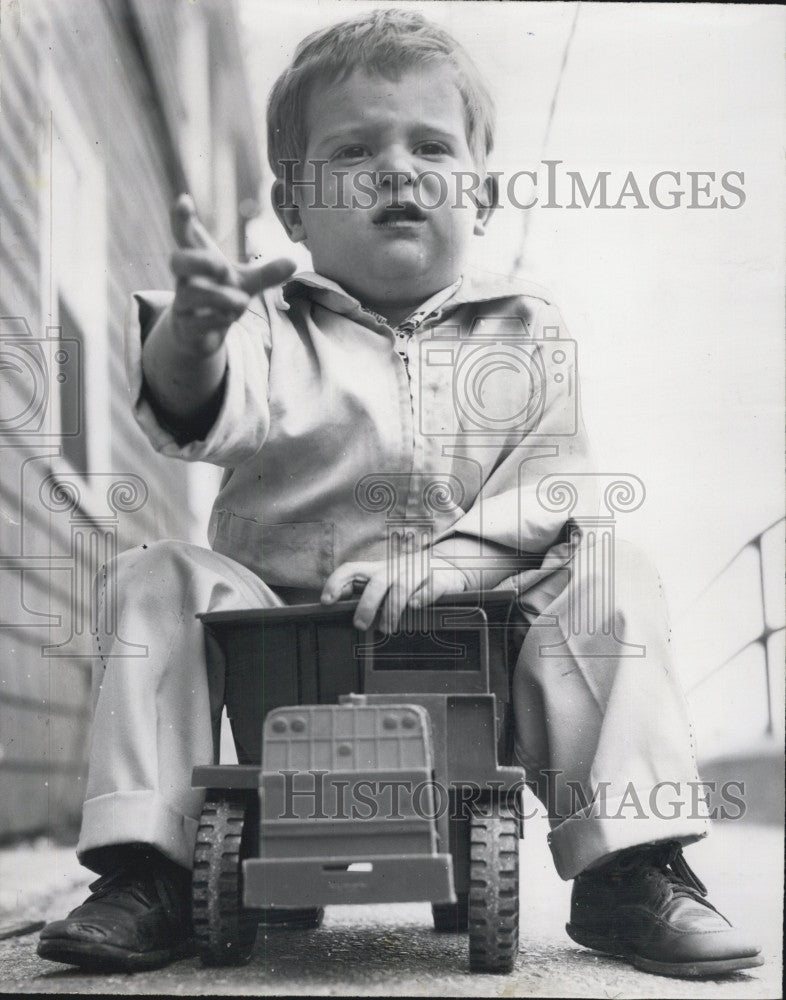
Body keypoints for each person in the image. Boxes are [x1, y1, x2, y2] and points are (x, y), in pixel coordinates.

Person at [38, 7, 762, 979]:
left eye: (431, 144)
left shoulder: (523, 327)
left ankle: (630, 862)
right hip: (284, 646)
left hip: (471, 646)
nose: (397, 168)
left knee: (610, 570)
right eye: (354, 150)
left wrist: (447, 560)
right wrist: (195, 335)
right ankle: (149, 867)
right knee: (161, 572)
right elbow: (201, 403)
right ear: (291, 206)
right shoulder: (266, 324)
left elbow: (553, 483)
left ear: (484, 190)